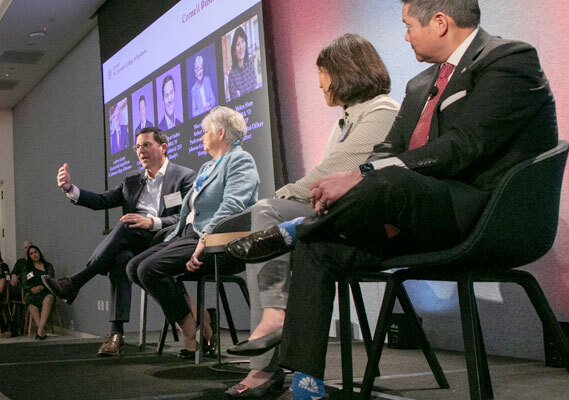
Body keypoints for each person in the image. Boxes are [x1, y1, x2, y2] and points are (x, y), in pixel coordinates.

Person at [227, 0, 558, 398]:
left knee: (389, 180)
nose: (404, 36)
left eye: (407, 26)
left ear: (439, 23)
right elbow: (387, 149)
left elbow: (466, 145)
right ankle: (307, 385)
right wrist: (360, 176)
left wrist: (364, 174)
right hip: (416, 214)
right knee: (321, 246)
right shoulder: (420, 84)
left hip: (480, 213)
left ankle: (295, 228)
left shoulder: (509, 59)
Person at [224, 33, 400, 398]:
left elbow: (343, 168)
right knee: (270, 228)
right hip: (332, 214)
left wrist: (285, 193)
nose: (319, 81)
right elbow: (330, 176)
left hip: (364, 222)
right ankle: (277, 341)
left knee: (268, 211)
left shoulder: (383, 110)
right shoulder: (346, 121)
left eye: (321, 72)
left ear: (344, 71)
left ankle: (267, 353)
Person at [42, 127, 195, 356]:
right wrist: (69, 189)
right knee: (121, 258)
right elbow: (101, 200)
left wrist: (151, 221)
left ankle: (75, 283)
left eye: (146, 145)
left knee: (125, 226)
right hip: (135, 241)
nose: (140, 151)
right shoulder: (131, 181)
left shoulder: (184, 176)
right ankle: (116, 333)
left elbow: (187, 215)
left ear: (163, 147)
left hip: (166, 239)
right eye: (137, 147)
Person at [127, 106, 259, 361]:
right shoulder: (208, 167)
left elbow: (233, 206)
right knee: (134, 267)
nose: (200, 137)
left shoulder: (240, 160)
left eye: (204, 132)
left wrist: (204, 241)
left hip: (217, 242)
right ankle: (202, 321)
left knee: (149, 269)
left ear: (221, 133)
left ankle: (192, 334)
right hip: (188, 235)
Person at [23, 245, 55, 340]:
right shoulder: (28, 268)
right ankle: (41, 331)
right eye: (31, 254)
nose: (34, 255)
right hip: (33, 293)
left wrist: (42, 287)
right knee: (31, 304)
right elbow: (24, 284)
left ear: (39, 252)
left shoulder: (48, 266)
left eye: (35, 252)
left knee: (48, 299)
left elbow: (51, 281)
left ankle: (40, 330)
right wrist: (32, 289)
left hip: (46, 291)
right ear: (29, 256)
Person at [8, 240, 32, 336]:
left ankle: (17, 325)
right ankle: (17, 325)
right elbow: (13, 272)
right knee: (14, 291)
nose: (27, 249)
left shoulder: (36, 261)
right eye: (25, 247)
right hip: (20, 289)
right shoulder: (20, 262)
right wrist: (13, 275)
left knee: (20, 295)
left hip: (30, 288)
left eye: (29, 247)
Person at [227, 26, 258, 100]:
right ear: (234, 50)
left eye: (243, 42)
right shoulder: (231, 75)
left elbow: (255, 89)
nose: (241, 47)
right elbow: (235, 100)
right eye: (238, 44)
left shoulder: (250, 65)